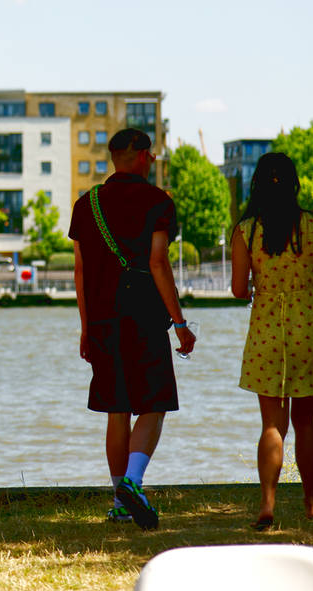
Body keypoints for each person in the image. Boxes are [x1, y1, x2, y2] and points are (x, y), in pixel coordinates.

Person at [68, 128, 195, 531]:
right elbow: (158, 262)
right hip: (142, 312)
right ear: (143, 156)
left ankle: (119, 500)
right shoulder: (159, 201)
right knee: (154, 401)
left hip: (103, 317)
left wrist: (86, 327)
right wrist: (180, 323)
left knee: (116, 408)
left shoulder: (85, 204)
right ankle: (133, 483)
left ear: (112, 157)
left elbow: (81, 270)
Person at [230, 152, 313, 530]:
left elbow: (237, 290)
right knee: (305, 422)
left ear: (258, 186)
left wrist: (261, 281)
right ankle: (312, 504)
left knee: (272, 425)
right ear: (295, 183)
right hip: (306, 329)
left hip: (266, 330)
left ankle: (267, 506)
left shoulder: (246, 230)